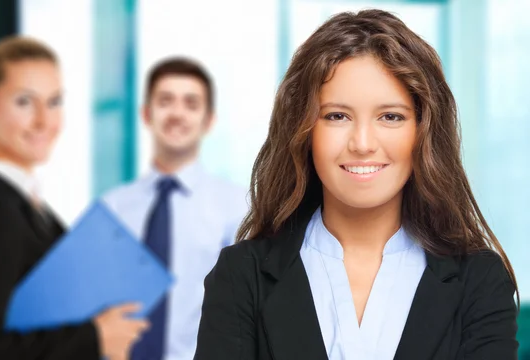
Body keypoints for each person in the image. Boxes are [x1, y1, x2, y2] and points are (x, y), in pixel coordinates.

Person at [194, 9, 519, 360]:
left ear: (423, 132)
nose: (362, 143)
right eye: (337, 116)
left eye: (390, 117)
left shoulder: (479, 281)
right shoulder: (242, 276)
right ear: (303, 131)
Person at [0, 36, 149, 360]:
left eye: (54, 102)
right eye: (24, 102)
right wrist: (94, 338)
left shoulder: (28, 206)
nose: (43, 120)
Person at [102, 57, 248, 360]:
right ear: (146, 114)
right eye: (166, 101)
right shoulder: (113, 208)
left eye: (191, 104)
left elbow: (247, 310)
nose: (177, 113)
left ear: (208, 120)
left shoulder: (237, 208)